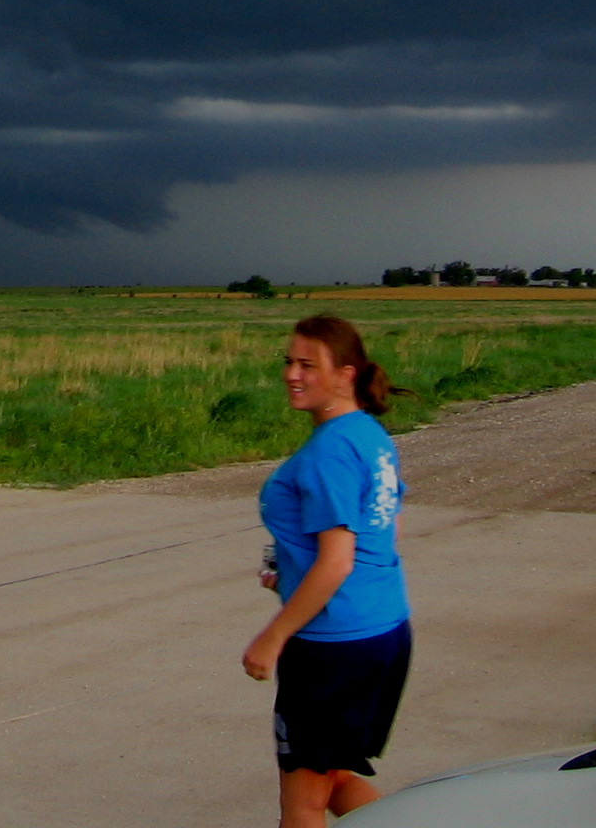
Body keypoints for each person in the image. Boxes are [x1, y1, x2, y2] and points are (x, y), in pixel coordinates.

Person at [243, 315, 410, 827]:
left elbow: (337, 561)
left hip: (332, 646)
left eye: (307, 365)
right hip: (383, 629)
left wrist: (273, 637)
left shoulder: (329, 451)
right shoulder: (369, 435)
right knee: (330, 778)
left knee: (302, 803)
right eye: (289, 362)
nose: (292, 374)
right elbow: (380, 533)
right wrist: (290, 569)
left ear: (345, 374)